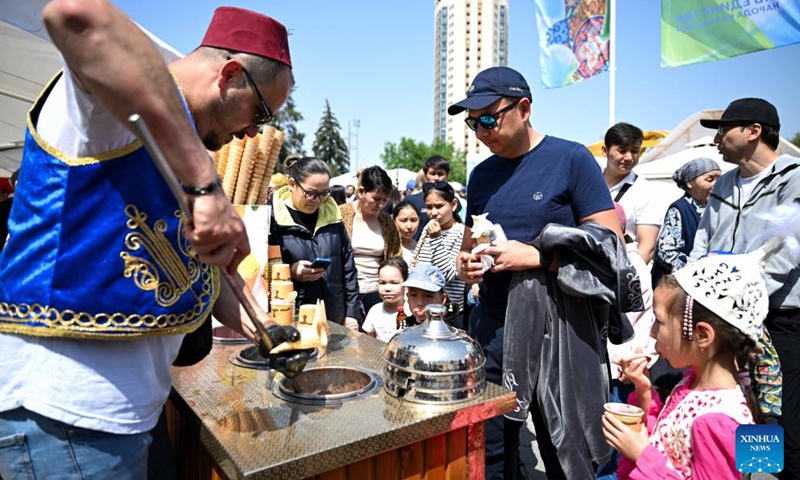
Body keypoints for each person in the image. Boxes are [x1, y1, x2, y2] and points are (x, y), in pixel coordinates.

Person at [0, 4, 308, 478]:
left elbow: (197, 266)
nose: (252, 132)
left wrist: (263, 326)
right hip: (63, 415)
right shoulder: (105, 108)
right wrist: (204, 183)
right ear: (229, 74)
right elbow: (76, 15)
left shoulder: (179, 148)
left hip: (116, 423)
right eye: (260, 112)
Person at [450, 66, 625, 480]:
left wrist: (539, 258)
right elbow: (469, 243)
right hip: (492, 328)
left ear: (524, 108)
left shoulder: (571, 158)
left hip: (559, 331)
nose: (480, 130)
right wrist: (466, 263)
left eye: (488, 118)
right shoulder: (481, 174)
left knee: (565, 447)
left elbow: (611, 249)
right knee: (490, 451)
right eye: (473, 122)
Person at [690, 97, 800, 479]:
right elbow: (701, 245)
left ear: (754, 131)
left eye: (724, 129)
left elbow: (788, 253)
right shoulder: (722, 183)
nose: (716, 139)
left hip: (779, 321)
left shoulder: (793, 179)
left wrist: (736, 302)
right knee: (743, 413)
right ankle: (755, 474)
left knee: (782, 419)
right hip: (723, 321)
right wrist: (699, 295)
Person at [605, 244, 777, 479]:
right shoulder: (692, 382)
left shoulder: (716, 421)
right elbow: (669, 445)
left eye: (660, 322)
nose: (653, 333)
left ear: (702, 335)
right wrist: (644, 391)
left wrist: (641, 454)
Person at [597, 203, 658, 480]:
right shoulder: (613, 261)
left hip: (621, 367)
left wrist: (636, 358)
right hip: (615, 364)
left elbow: (633, 323)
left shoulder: (629, 267)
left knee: (616, 435)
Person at [268, 156, 360, 330]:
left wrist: (351, 314)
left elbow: (348, 268)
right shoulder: (273, 219)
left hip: (334, 316)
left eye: (324, 193)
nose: (317, 200)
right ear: (292, 184)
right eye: (311, 193)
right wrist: (291, 272)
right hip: (291, 318)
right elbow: (261, 271)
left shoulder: (333, 216)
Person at [339, 166, 403, 320]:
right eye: (376, 199)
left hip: (378, 294)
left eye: (384, 200)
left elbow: (395, 257)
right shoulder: (340, 215)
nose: (380, 205)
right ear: (361, 192)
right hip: (346, 294)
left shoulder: (387, 222)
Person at [651, 157, 721, 288]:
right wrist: (694, 273)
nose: (716, 184)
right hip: (677, 287)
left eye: (719, 179)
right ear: (690, 183)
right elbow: (667, 251)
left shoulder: (716, 208)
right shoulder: (679, 209)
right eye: (710, 179)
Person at [602, 123, 666, 264]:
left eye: (635, 151)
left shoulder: (646, 191)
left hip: (623, 272)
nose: (629, 157)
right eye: (622, 150)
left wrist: (625, 278)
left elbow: (647, 248)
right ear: (605, 151)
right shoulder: (587, 183)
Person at [413, 181, 466, 327]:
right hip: (423, 311)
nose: (434, 212)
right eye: (429, 207)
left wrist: (436, 239)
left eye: (439, 206)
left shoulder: (462, 233)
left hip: (449, 313)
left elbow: (446, 276)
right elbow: (416, 263)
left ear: (453, 205)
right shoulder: (428, 228)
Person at [405, 155, 461, 240]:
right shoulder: (411, 200)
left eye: (440, 174)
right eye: (432, 173)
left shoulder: (452, 201)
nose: (436, 178)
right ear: (425, 175)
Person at [362, 257, 409, 342]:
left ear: (406, 284)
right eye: (382, 283)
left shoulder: (411, 311)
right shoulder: (375, 311)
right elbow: (370, 341)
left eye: (394, 283)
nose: (387, 288)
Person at [392, 200, 420, 265]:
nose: (409, 226)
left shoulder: (423, 249)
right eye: (403, 220)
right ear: (394, 221)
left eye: (413, 220)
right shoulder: (388, 249)